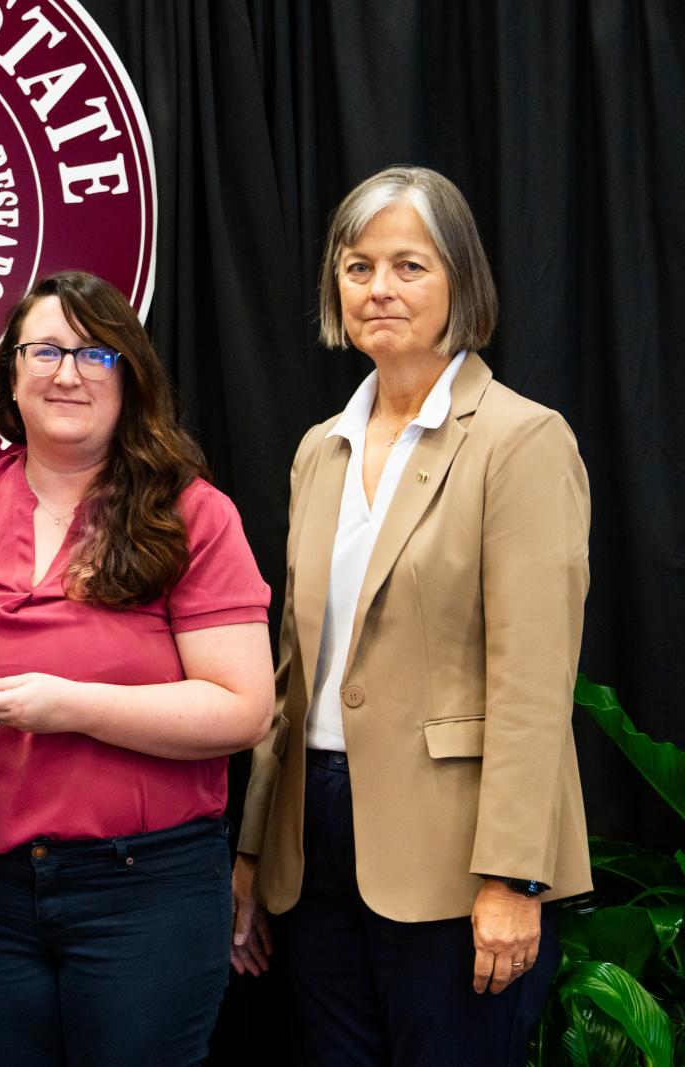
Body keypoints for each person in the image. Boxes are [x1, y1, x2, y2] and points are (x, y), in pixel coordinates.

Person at [0, 270, 275, 1066]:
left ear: (131, 376)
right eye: (44, 350)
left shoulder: (191, 513)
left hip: (145, 891)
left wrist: (72, 704)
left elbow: (243, 709)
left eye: (95, 354)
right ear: (12, 375)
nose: (67, 372)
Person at [229, 165, 592, 1065]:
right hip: (312, 849)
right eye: (358, 267)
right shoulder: (321, 448)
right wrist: (251, 854)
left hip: (457, 856)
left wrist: (514, 873)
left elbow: (533, 680)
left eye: (409, 265)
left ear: (461, 280)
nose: (379, 288)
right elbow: (292, 669)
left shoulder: (520, 438)